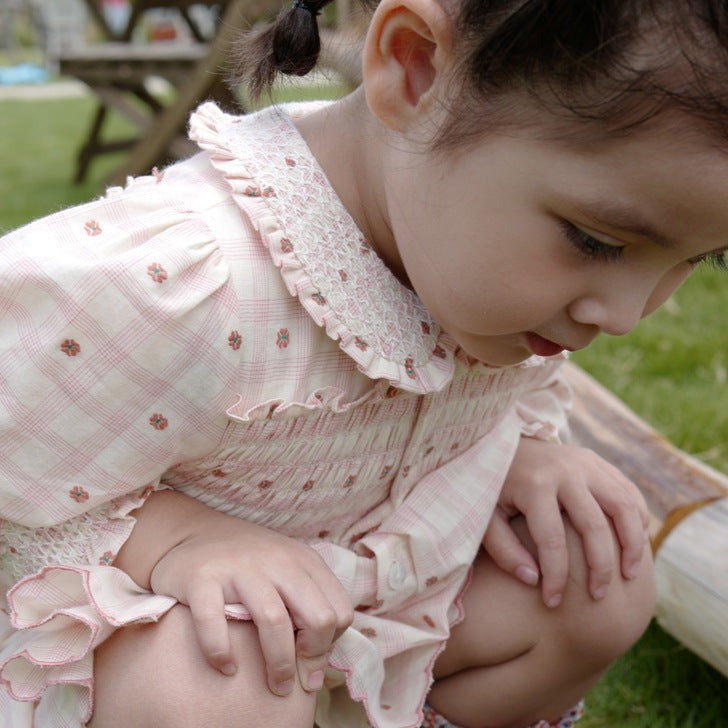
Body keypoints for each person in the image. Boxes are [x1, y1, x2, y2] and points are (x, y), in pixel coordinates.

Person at [1, 0, 727, 726]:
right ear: (414, 68)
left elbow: (508, 396)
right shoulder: (187, 277)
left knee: (595, 586)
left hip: (368, 612)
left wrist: (518, 453)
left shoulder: (488, 280)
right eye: (597, 241)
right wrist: (173, 540)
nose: (628, 315)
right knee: (215, 684)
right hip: (190, 649)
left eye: (699, 258)